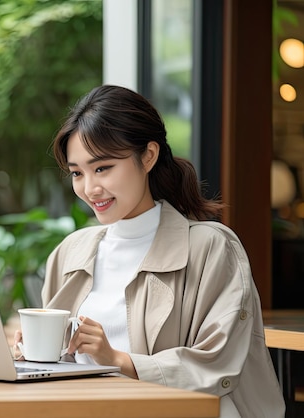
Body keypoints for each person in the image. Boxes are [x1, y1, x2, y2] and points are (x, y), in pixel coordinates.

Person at [35, 85, 284, 417]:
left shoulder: (210, 248)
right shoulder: (70, 253)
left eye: (103, 168)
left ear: (148, 156)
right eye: (77, 173)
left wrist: (118, 360)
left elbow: (218, 363)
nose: (90, 188)